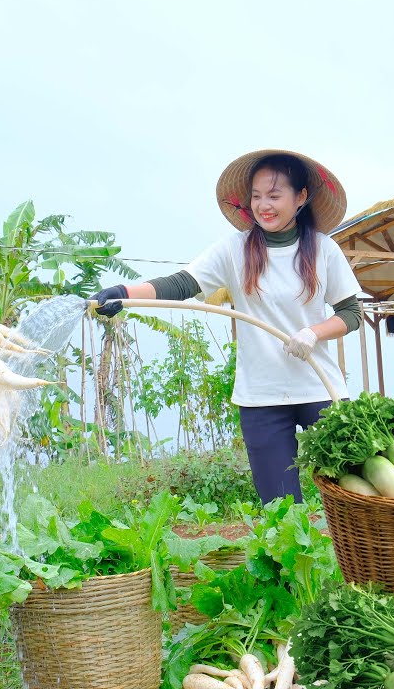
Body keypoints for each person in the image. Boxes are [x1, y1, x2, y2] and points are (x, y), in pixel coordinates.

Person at [91, 150, 362, 503]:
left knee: (353, 496)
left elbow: (351, 312)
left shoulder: (324, 250)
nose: (264, 205)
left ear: (301, 198)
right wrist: (125, 293)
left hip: (321, 389)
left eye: (275, 195)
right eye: (257, 196)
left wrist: (314, 333)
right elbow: (181, 283)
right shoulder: (235, 250)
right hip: (261, 397)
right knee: (280, 510)